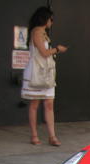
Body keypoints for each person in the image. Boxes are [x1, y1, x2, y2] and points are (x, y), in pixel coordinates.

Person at [21, 7, 68, 146]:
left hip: (46, 72)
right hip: (38, 72)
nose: (52, 22)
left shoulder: (43, 33)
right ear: (45, 19)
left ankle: (52, 136)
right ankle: (34, 135)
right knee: (35, 104)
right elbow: (43, 52)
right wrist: (58, 49)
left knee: (49, 104)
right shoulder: (36, 32)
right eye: (51, 19)